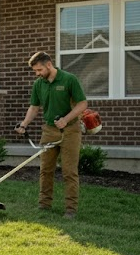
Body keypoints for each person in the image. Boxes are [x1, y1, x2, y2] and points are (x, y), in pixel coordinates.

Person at [16, 52, 88, 219]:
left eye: (39, 69)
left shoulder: (69, 79)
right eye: (35, 71)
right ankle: (44, 204)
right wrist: (24, 124)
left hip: (70, 130)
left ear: (49, 64)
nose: (37, 73)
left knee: (69, 171)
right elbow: (34, 107)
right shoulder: (38, 84)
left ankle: (70, 209)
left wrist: (66, 119)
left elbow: (83, 103)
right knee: (45, 170)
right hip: (49, 130)